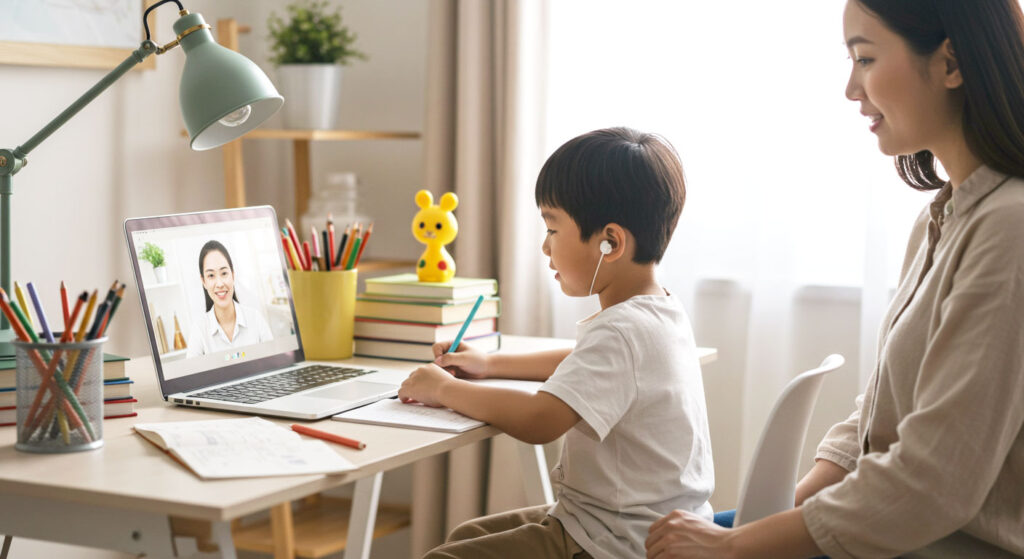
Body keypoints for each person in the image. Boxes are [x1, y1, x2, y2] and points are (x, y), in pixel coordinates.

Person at [645, 1, 1024, 558]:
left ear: (951, 62)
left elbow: (934, 482)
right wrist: (770, 517)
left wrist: (733, 548)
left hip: (946, 545)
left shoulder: (1009, 226)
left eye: (865, 58)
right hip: (896, 532)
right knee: (653, 537)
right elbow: (874, 420)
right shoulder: (940, 220)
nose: (852, 88)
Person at [399, 127, 714, 559]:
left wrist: (442, 389)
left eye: (552, 228)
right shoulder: (660, 311)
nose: (545, 247)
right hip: (643, 525)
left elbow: (540, 420)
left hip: (616, 541)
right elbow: (583, 362)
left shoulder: (621, 330)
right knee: (467, 535)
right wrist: (492, 365)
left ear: (611, 242)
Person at [186, 240, 273, 357]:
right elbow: (192, 373)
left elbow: (274, 363)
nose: (220, 283)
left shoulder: (255, 319)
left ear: (233, 275)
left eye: (224, 273)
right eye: (211, 275)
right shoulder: (199, 330)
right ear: (204, 281)